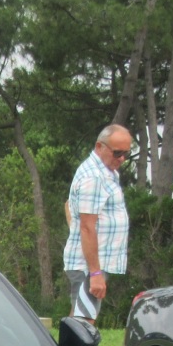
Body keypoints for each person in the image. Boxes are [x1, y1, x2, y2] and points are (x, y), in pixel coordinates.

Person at [63, 123, 133, 327]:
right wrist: (95, 273)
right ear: (99, 146)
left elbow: (69, 207)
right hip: (88, 266)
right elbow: (87, 227)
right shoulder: (94, 177)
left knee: (79, 321)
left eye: (126, 154)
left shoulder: (104, 171)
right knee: (83, 326)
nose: (121, 159)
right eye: (117, 153)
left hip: (92, 262)